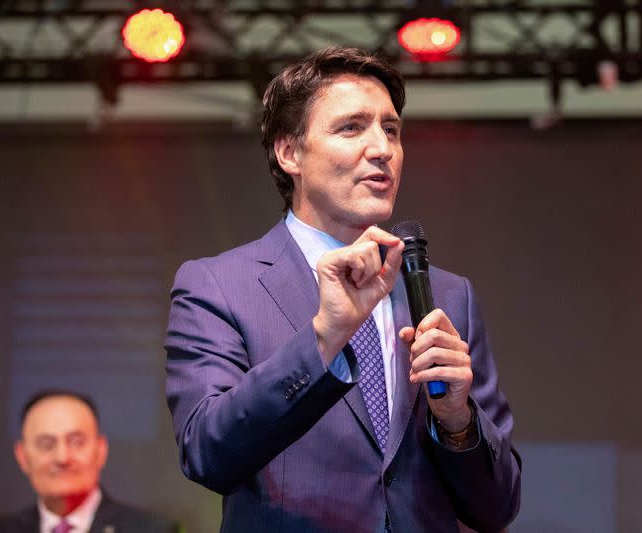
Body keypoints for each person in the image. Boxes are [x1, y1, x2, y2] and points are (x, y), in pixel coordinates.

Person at [165, 46, 521, 533]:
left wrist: (457, 420)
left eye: (391, 130)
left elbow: (496, 507)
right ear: (289, 152)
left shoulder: (447, 294)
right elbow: (207, 453)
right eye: (352, 127)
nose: (382, 149)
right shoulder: (220, 285)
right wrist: (323, 341)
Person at [0, 390, 179, 533]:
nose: (62, 457)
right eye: (46, 444)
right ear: (22, 456)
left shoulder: (152, 530)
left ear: (101, 450)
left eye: (76, 442)